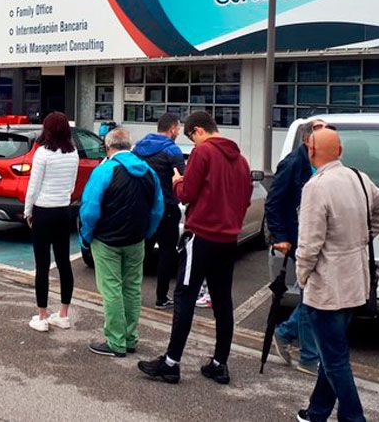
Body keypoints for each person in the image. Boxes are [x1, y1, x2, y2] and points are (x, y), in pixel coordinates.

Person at [292, 128, 379, 422]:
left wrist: (301, 276)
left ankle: (354, 418)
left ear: (311, 153)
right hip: (355, 282)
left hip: (327, 287)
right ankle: (316, 413)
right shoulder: (359, 177)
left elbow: (309, 244)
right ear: (339, 151)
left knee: (335, 360)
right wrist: (363, 238)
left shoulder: (316, 187)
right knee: (332, 353)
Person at [139, 111, 252, 386]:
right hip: (228, 240)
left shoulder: (203, 154)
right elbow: (246, 198)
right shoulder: (241, 160)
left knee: (185, 297)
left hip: (200, 236)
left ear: (198, 130)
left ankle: (171, 362)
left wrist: (178, 181)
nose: (192, 141)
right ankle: (218, 363)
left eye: (192, 136)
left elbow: (187, 194)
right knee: (223, 302)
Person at [80, 128, 163, 358]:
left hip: (107, 240)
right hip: (136, 240)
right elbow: (157, 208)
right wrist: (147, 233)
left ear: (108, 147)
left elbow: (89, 210)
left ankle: (116, 342)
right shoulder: (148, 172)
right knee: (132, 288)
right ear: (130, 145)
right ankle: (130, 337)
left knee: (112, 290)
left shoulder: (104, 170)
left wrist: (86, 238)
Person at [267, 118, 329, 375]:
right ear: (307, 140)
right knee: (311, 293)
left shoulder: (325, 164)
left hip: (320, 236)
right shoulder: (293, 163)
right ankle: (309, 356)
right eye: (319, 135)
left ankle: (286, 332)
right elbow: (274, 201)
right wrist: (280, 236)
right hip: (298, 237)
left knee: (315, 294)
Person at [24, 111, 80, 332]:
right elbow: (73, 185)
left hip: (43, 211)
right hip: (63, 211)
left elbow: (33, 187)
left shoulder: (42, 154)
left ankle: (42, 315)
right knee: (64, 262)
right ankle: (63, 314)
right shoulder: (73, 153)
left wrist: (28, 211)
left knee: (42, 264)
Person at [133, 113, 187, 310]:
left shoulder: (139, 147)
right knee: (166, 253)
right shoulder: (172, 150)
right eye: (178, 128)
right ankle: (161, 298)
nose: (179, 132)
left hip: (145, 206)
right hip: (167, 208)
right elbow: (183, 177)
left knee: (141, 252)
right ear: (172, 128)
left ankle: (133, 295)